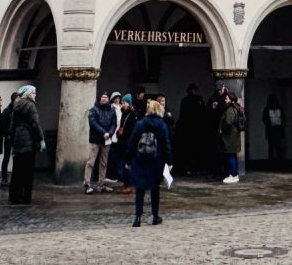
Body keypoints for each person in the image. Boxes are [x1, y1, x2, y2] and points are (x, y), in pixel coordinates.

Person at [126, 97, 173, 227]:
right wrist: (169, 161)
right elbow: (166, 145)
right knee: (155, 188)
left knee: (140, 189)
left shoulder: (140, 124)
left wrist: (128, 159)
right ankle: (155, 216)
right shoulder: (162, 125)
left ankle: (137, 217)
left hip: (140, 158)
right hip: (156, 160)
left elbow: (132, 142)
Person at [7, 84, 43, 205]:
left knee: (17, 170)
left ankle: (14, 196)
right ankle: (26, 196)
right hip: (28, 140)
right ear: (28, 94)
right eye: (33, 93)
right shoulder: (31, 105)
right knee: (28, 170)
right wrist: (41, 139)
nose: (35, 95)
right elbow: (35, 123)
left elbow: (12, 125)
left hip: (18, 140)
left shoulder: (16, 105)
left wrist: (12, 138)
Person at [85, 91, 116, 193]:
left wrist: (110, 133)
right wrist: (103, 132)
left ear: (108, 99)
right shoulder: (94, 109)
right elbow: (93, 123)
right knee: (91, 162)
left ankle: (101, 184)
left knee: (104, 163)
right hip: (96, 139)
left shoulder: (112, 110)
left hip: (106, 140)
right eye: (102, 97)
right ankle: (87, 184)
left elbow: (114, 123)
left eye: (105, 97)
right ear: (99, 98)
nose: (104, 99)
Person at [175, 83, 206, 176]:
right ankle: (194, 169)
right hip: (195, 129)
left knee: (189, 150)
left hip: (188, 129)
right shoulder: (198, 99)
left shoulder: (185, 100)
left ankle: (189, 169)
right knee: (195, 150)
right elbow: (202, 113)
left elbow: (182, 116)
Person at [219, 90, 243, 183]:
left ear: (230, 100)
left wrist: (222, 129)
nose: (225, 100)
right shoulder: (236, 108)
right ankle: (234, 174)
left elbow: (228, 122)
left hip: (230, 137)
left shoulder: (230, 110)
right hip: (233, 136)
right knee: (232, 155)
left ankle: (233, 175)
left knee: (230, 156)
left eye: (226, 98)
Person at [0, 90, 21, 182]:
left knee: (16, 157)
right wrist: (7, 133)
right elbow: (3, 124)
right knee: (7, 157)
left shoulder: (19, 109)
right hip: (9, 136)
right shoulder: (7, 110)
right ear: (14, 99)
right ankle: (4, 178)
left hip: (17, 136)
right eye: (18, 98)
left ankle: (15, 177)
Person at [264, 94, 286, 165]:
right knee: (278, 147)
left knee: (271, 147)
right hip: (278, 130)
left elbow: (264, 119)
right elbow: (284, 118)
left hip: (271, 130)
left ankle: (272, 163)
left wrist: (269, 124)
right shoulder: (280, 108)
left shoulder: (267, 109)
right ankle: (279, 163)